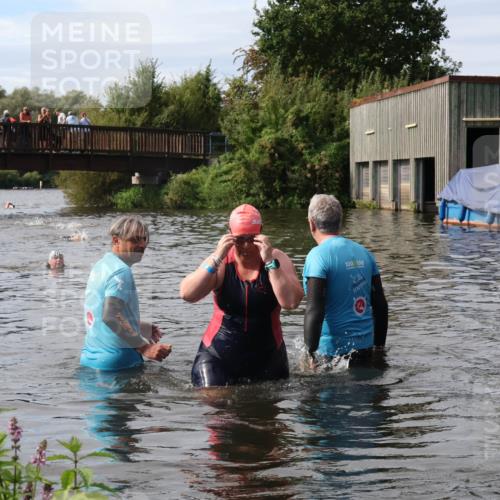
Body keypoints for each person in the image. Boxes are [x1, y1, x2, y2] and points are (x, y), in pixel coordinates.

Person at [180, 204, 303, 387]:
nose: (246, 246)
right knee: (217, 408)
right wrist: (216, 258)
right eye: (239, 239)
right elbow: (187, 294)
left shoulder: (277, 259)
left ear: (261, 233)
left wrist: (269, 262)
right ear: (229, 234)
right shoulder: (221, 262)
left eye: (251, 239)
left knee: (267, 414)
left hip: (268, 358)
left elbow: (291, 302)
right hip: (218, 357)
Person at [303, 194, 388, 368]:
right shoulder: (364, 253)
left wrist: (310, 354)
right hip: (366, 348)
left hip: (331, 353)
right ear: (340, 221)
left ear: (311, 223)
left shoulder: (317, 256)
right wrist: (379, 348)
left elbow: (314, 310)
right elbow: (380, 305)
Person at [80, 215, 172, 371]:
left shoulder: (101, 266)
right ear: (116, 241)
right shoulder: (121, 272)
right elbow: (110, 315)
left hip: (90, 361)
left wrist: (138, 326)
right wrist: (144, 347)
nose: (142, 245)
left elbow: (99, 315)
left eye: (144, 240)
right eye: (135, 240)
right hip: (119, 363)